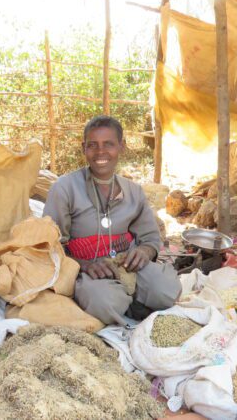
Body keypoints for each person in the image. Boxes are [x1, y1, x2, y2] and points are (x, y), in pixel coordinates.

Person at [43, 115, 181, 326]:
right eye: (93, 145)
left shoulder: (133, 191)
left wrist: (143, 252)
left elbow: (151, 239)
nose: (100, 152)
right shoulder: (64, 189)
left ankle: (134, 303)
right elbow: (51, 245)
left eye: (109, 144)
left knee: (166, 290)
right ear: (84, 148)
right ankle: (129, 306)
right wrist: (85, 265)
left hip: (128, 265)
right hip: (88, 270)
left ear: (122, 147)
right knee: (104, 302)